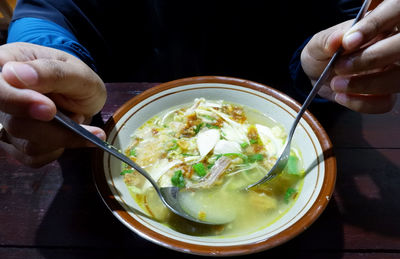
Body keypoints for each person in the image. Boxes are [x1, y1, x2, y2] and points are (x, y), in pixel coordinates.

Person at [0, 0, 398, 167]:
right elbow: (52, 8)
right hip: (111, 127)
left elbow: (355, 11)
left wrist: (349, 50)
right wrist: (46, 58)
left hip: (302, 107)